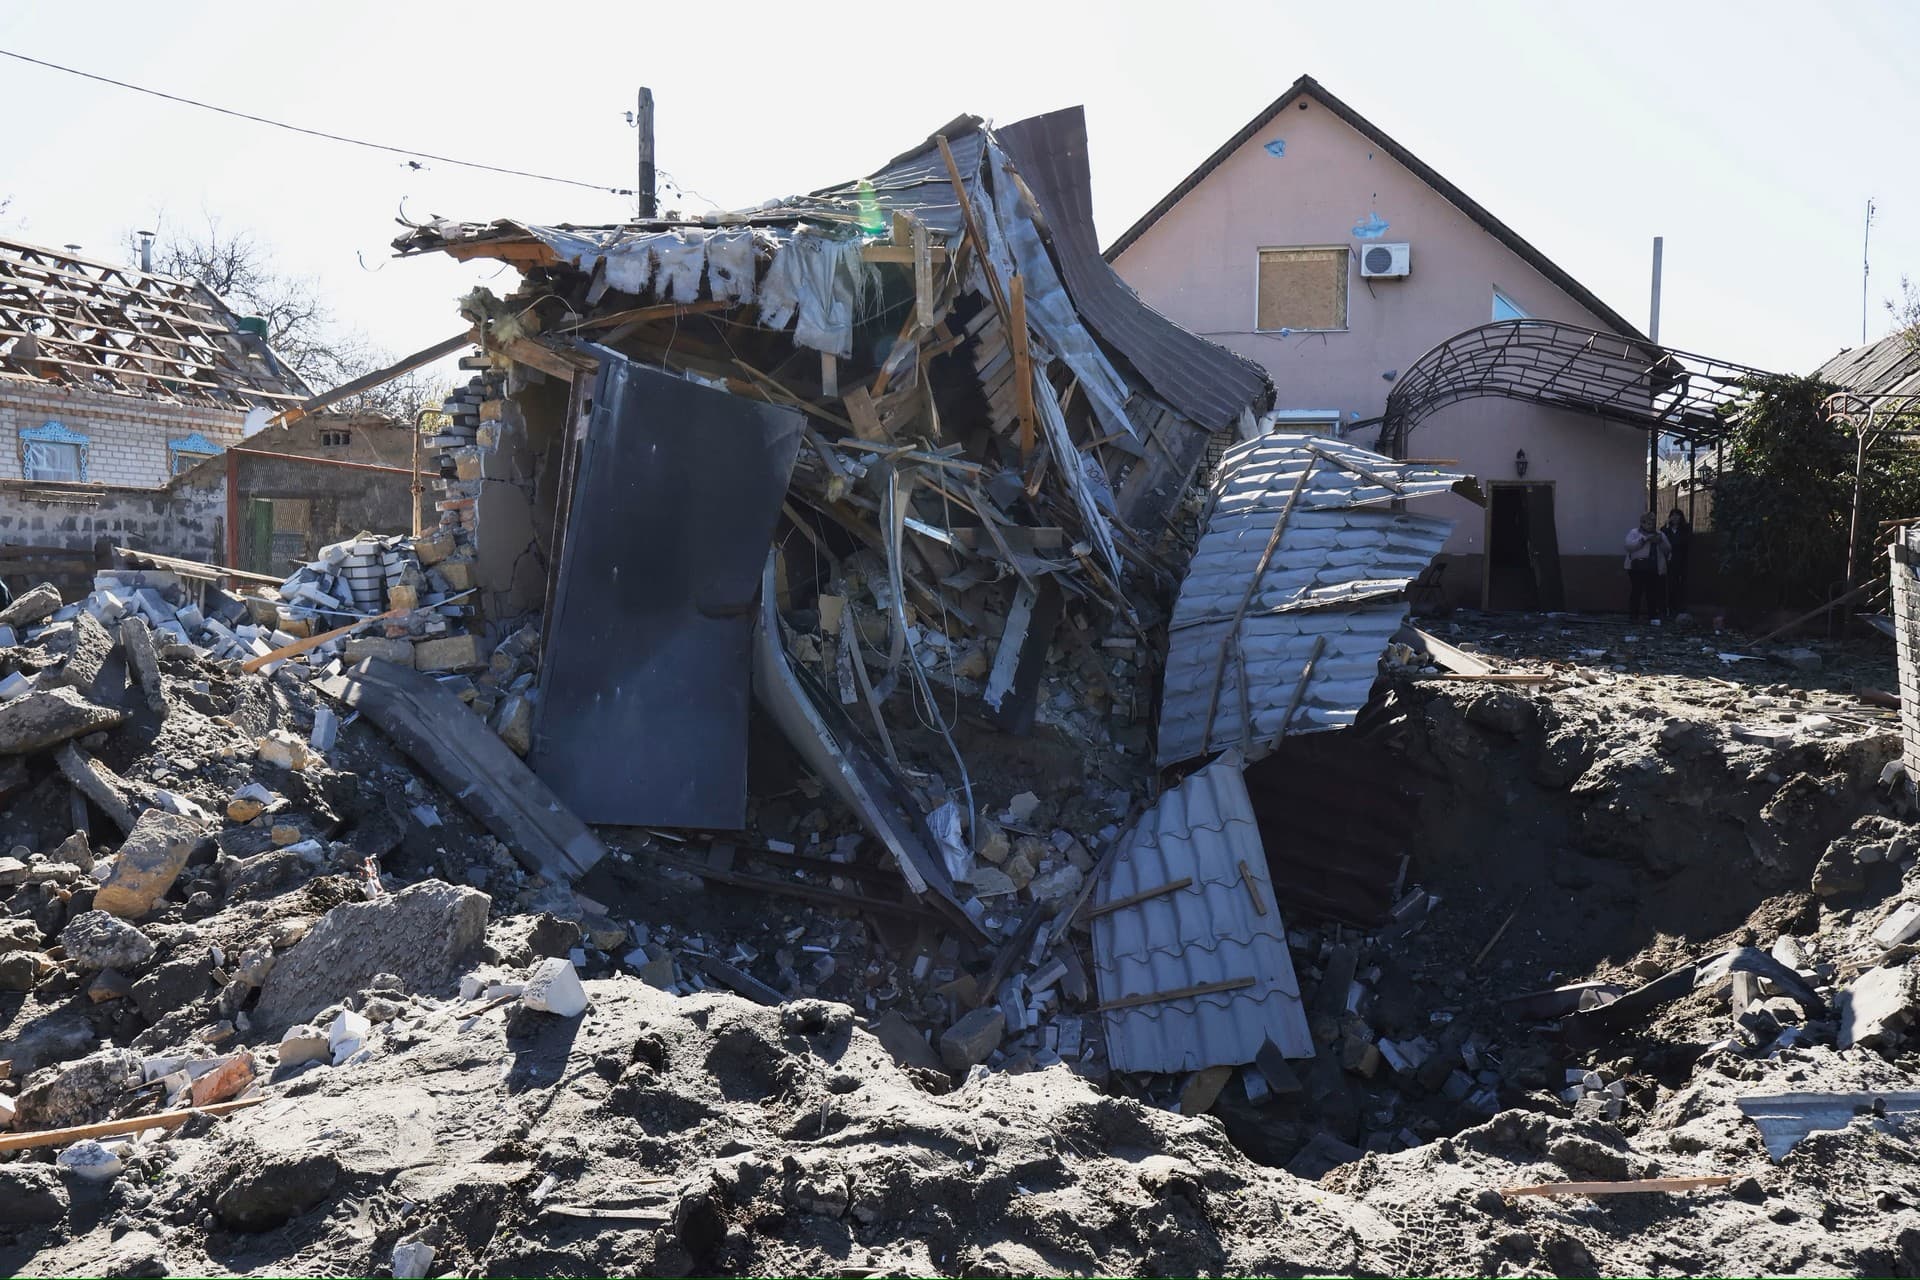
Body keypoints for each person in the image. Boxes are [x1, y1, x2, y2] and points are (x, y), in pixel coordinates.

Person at [1624, 512, 1670, 623]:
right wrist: (1643, 540)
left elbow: (1668, 549)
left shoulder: (1659, 534)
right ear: (1642, 523)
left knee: (1652, 593)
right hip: (1637, 568)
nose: (1651, 525)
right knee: (1636, 592)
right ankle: (1633, 616)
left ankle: (1652, 616)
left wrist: (1660, 541)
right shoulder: (1634, 533)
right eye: (1649, 523)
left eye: (1653, 523)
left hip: (1654, 568)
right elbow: (1628, 546)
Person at [1663, 508, 1693, 618]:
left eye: (1677, 515)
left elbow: (1687, 543)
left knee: (1682, 585)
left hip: (1682, 560)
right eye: (1673, 515)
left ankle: (1681, 608)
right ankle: (1671, 608)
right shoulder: (1665, 529)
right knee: (1670, 585)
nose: (1675, 517)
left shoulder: (1685, 529)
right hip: (1669, 561)